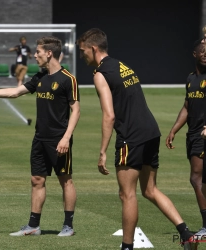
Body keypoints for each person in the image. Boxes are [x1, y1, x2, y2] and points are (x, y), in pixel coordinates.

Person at [75, 28, 196, 250]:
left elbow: (109, 115)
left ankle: (127, 247)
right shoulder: (122, 65)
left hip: (131, 136)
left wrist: (102, 151)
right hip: (151, 131)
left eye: (82, 51)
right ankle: (186, 235)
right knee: (150, 190)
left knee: (126, 194)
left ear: (93, 48)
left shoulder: (101, 75)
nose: (81, 55)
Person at [0, 36, 80, 237]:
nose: (34, 55)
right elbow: (15, 92)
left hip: (59, 139)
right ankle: (33, 226)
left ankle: (68, 226)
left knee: (65, 180)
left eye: (38, 52)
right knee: (37, 179)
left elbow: (76, 110)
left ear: (49, 53)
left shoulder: (68, 79)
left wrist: (65, 138)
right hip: (39, 138)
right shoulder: (40, 77)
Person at [165, 37, 206, 239]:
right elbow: (187, 106)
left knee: (196, 177)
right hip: (193, 135)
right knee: (199, 179)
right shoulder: (191, 79)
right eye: (203, 52)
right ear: (194, 55)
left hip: (203, 136)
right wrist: (174, 130)